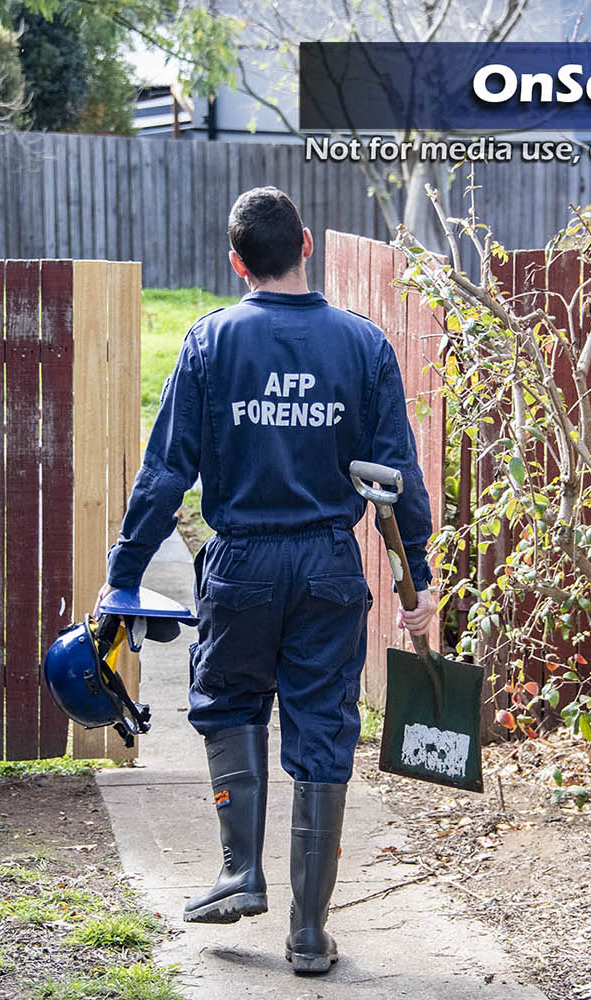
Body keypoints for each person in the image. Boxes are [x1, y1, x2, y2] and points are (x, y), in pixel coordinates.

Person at [96, 186, 437, 976]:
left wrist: (123, 573)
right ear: (307, 245)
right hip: (327, 564)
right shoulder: (363, 345)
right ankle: (310, 935)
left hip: (243, 559)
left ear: (236, 262)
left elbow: (165, 474)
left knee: (226, 701)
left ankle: (239, 870)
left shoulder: (212, 343)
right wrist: (415, 583)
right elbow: (398, 478)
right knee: (323, 727)